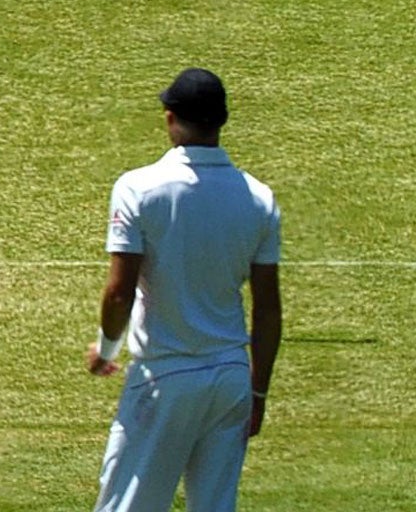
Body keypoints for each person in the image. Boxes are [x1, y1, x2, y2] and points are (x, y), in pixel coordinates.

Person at [86, 68, 282, 512]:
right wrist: (258, 392)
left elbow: (120, 292)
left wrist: (106, 349)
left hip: (164, 376)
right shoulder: (260, 198)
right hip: (230, 379)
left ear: (170, 118)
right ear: (221, 121)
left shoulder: (138, 188)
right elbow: (268, 311)